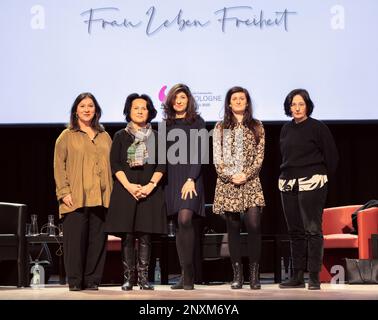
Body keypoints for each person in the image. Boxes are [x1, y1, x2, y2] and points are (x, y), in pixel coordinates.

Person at [104, 93, 167, 291]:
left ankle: (143, 279)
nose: (140, 111)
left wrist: (150, 186)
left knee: (146, 236)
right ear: (128, 112)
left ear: (150, 112)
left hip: (150, 191)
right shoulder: (120, 136)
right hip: (126, 191)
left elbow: (162, 165)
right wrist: (130, 186)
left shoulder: (157, 137)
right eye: (136, 108)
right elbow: (115, 164)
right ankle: (128, 278)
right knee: (128, 236)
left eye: (144, 108)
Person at [278, 88, 339, 290]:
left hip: (312, 182)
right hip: (288, 183)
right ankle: (296, 276)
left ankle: (313, 276)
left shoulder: (318, 127)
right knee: (294, 231)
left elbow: (332, 157)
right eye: (293, 104)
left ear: (307, 106)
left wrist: (322, 179)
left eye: (300, 104)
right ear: (289, 107)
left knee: (312, 230)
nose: (296, 108)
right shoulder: (286, 129)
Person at [53, 92, 112, 291]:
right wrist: (63, 191)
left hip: (101, 196)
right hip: (75, 196)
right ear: (76, 111)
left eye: (91, 106)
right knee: (75, 243)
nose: (87, 109)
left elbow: (112, 165)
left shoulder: (104, 136)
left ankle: (92, 280)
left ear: (96, 110)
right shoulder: (67, 136)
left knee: (97, 241)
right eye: (82, 106)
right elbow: (58, 166)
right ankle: (76, 281)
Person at [213, 86, 265, 290]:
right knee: (233, 228)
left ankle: (254, 275)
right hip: (228, 184)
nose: (238, 101)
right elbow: (217, 159)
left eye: (241, 98)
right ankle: (238, 275)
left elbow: (260, 156)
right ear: (229, 103)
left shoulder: (257, 126)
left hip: (251, 183)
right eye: (234, 98)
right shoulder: (220, 127)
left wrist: (247, 174)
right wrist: (231, 175)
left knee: (254, 226)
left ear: (247, 101)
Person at [163, 83, 206, 290]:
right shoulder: (165, 124)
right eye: (175, 98)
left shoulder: (197, 122)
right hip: (171, 180)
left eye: (183, 97)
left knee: (185, 219)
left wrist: (191, 179)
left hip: (191, 179)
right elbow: (161, 157)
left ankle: (189, 273)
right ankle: (184, 274)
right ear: (170, 101)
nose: (179, 101)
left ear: (189, 100)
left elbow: (200, 153)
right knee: (179, 227)